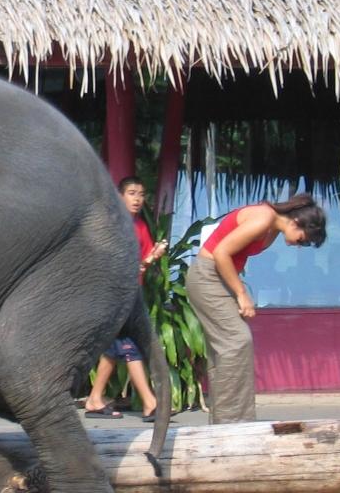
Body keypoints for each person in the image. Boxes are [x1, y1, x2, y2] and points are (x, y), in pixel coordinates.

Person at [186, 193, 327, 424]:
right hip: (207, 276)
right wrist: (241, 294)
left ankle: (228, 422)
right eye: (303, 240)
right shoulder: (264, 218)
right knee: (237, 341)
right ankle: (232, 423)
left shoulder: (272, 227)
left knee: (227, 348)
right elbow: (221, 252)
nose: (299, 245)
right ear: (296, 222)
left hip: (219, 278)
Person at [83, 177, 167, 421]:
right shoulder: (113, 224)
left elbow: (141, 265)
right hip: (114, 293)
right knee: (129, 345)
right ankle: (150, 403)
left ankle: (95, 399)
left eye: (141, 194)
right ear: (120, 196)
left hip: (130, 293)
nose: (138, 199)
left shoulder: (139, 226)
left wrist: (153, 256)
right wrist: (149, 260)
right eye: (132, 193)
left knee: (114, 348)